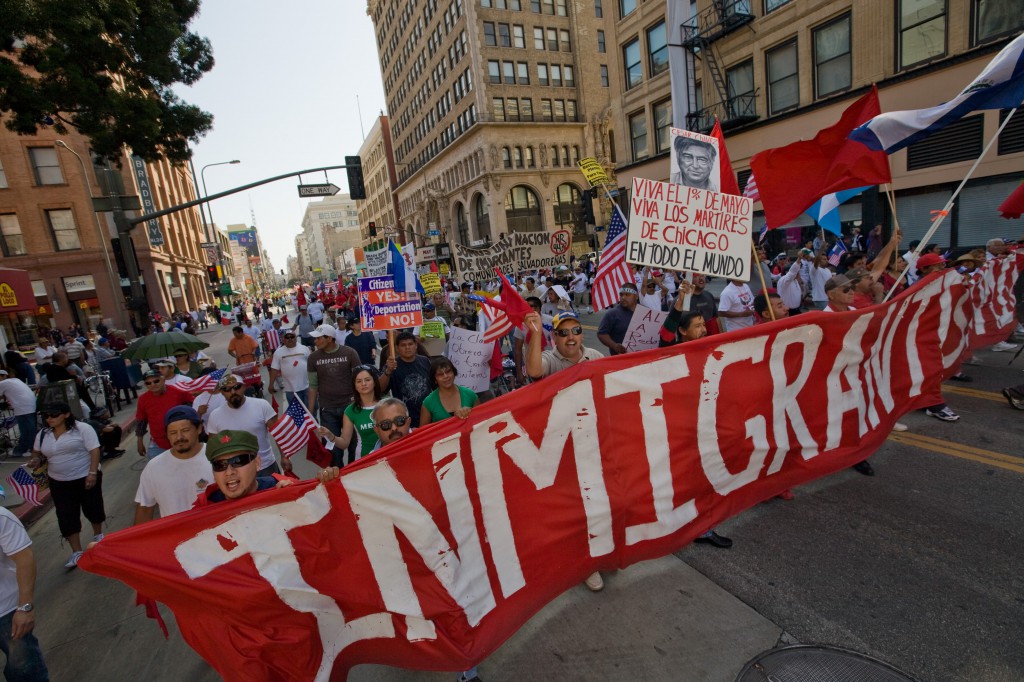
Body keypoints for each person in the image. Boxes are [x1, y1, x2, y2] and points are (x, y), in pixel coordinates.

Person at [523, 310, 606, 592]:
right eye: (563, 333)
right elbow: (534, 371)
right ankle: (584, 563)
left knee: (598, 503)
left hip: (593, 442)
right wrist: (535, 334)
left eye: (575, 331)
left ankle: (600, 554)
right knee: (574, 508)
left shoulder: (595, 357)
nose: (570, 337)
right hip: (560, 449)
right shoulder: (548, 359)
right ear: (554, 338)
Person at [27, 402, 104, 569]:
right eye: (46, 416)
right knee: (66, 515)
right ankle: (76, 551)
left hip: (84, 476)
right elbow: (37, 453)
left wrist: (92, 473)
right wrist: (35, 460)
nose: (49, 419)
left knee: (93, 507)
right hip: (59, 481)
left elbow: (94, 450)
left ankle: (98, 535)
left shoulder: (82, 429)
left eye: (54, 415)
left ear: (66, 415)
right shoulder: (43, 434)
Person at [134, 406, 212, 523]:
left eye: (185, 430)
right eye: (173, 432)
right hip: (178, 539)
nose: (179, 437)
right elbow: (145, 509)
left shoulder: (216, 458)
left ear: (199, 428)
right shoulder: (154, 467)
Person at [206, 373, 289, 477]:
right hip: (236, 473)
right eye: (227, 389)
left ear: (244, 387)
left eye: (237, 387)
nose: (233, 392)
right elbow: (214, 447)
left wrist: (284, 456)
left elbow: (279, 433)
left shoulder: (261, 405)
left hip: (266, 467)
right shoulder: (215, 416)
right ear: (222, 392)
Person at [0, 506, 49, 680]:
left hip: (5, 613)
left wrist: (24, 607)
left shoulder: (1, 517)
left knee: (25, 670)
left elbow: (24, 558)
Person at [306, 323, 362, 446]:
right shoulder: (312, 358)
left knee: (354, 444)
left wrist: (360, 403)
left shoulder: (350, 353)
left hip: (350, 407)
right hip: (327, 409)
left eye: (319, 338)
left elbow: (360, 379)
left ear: (329, 338)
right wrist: (310, 412)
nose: (315, 341)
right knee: (331, 447)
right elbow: (313, 386)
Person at [315, 365, 382, 464]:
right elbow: (344, 443)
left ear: (375, 382)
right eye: (359, 381)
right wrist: (331, 435)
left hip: (388, 456)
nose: (363, 384)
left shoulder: (387, 404)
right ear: (354, 385)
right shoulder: (350, 411)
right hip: (364, 461)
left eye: (367, 380)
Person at [134, 368, 194, 459]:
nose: (153, 385)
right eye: (148, 383)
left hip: (182, 439)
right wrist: (139, 442)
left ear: (163, 379)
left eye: (156, 381)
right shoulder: (143, 399)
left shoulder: (179, 392)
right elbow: (141, 422)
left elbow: (193, 407)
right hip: (159, 443)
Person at [420, 357, 479, 426]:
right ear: (435, 379)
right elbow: (423, 432)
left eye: (448, 372)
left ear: (454, 373)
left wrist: (471, 412)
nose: (446, 376)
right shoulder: (428, 403)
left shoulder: (470, 395)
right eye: (440, 374)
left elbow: (482, 420)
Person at [269, 329, 312, 407]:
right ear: (283, 339)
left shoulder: (305, 349)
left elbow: (312, 366)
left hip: (307, 387)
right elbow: (274, 369)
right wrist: (271, 384)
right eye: (287, 337)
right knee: (296, 414)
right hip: (290, 390)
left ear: (296, 337)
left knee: (311, 412)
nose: (290, 339)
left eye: (292, 337)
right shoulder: (278, 352)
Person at [0, 371, 37, 459]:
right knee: (30, 429)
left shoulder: (2, 383)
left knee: (26, 430)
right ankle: (26, 448)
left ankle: (26, 449)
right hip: (31, 405)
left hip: (23, 408)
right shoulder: (15, 380)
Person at [597, 283, 639, 355]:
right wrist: (614, 346)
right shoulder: (612, 314)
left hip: (641, 359)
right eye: (621, 295)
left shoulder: (646, 313)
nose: (623, 297)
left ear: (636, 296)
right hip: (620, 359)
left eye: (627, 295)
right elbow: (601, 334)